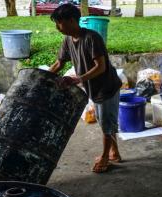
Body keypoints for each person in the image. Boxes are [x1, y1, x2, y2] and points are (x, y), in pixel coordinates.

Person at [49, 4, 122, 173]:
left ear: (72, 20)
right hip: (93, 88)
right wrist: (42, 77)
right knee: (106, 122)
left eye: (59, 23)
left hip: (106, 87)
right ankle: (114, 153)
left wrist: (78, 79)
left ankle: (105, 158)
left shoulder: (92, 37)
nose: (57, 27)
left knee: (106, 124)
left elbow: (101, 67)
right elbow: (59, 63)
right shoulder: (68, 40)